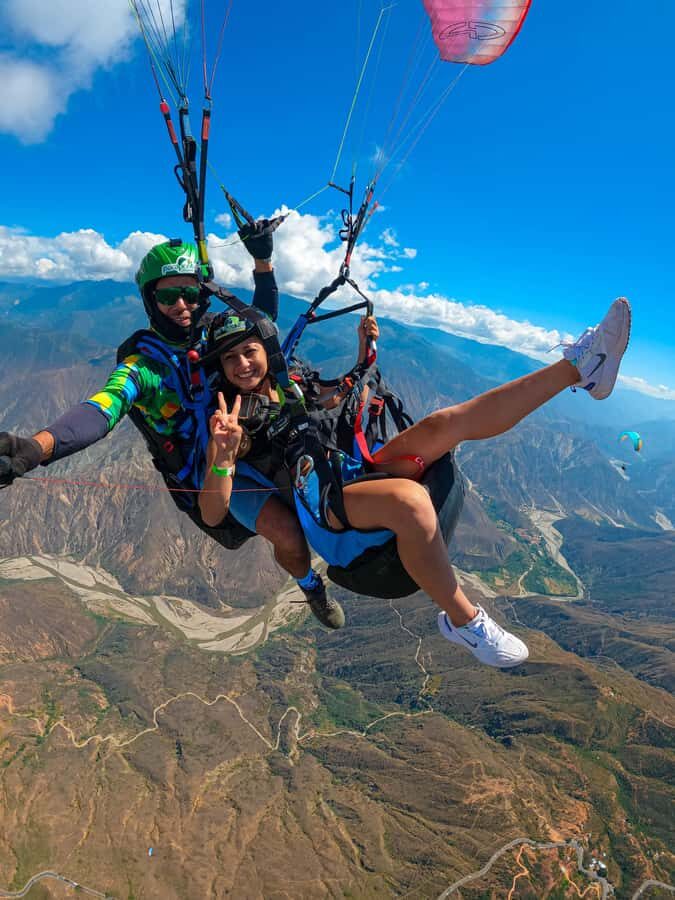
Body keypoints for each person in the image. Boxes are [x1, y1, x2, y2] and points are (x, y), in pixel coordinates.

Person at [197, 297, 632, 668]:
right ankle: (465, 623)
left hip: (350, 472)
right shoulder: (234, 419)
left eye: (248, 351)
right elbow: (213, 513)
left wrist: (365, 352)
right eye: (230, 359)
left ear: (266, 350)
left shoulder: (288, 380)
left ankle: (579, 368)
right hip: (330, 516)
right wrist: (222, 454)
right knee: (409, 503)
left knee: (445, 423)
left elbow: (338, 395)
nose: (241, 364)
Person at [0, 230, 345, 630]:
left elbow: (261, 325)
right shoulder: (143, 368)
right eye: (168, 297)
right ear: (151, 301)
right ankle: (310, 586)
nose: (182, 306)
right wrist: (36, 448)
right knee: (288, 535)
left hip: (259, 440)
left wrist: (263, 263)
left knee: (335, 495)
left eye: (190, 293)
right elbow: (101, 408)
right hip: (213, 467)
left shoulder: (215, 333)